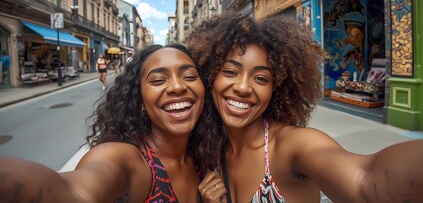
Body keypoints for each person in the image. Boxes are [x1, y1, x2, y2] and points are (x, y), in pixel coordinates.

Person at [187, 13, 423, 202]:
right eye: (230, 72)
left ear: (276, 88)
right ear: (210, 77)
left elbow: (365, 180)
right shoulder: (211, 148)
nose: (242, 87)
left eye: (260, 78)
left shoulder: (291, 146)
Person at [0, 44, 223, 203]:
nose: (177, 87)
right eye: (158, 80)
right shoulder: (127, 160)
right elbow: (75, 192)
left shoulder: (203, 156)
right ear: (140, 102)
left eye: (190, 76)